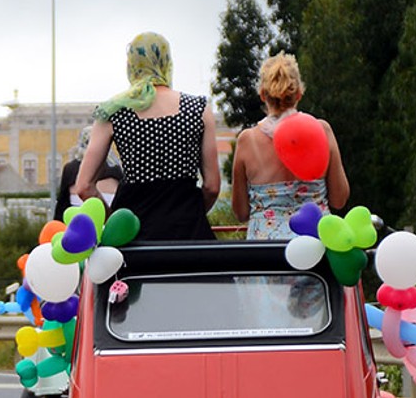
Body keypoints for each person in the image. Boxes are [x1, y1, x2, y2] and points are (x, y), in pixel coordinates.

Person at [73, 32, 218, 242]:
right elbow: (212, 187)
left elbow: (84, 186)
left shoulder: (113, 112)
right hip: (189, 232)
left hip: (134, 238)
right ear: (167, 62)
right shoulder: (199, 109)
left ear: (131, 65)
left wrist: (114, 220)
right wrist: (190, 214)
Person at [229, 52, 349, 239]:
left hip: (267, 251)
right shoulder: (322, 130)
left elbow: (241, 212)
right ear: (299, 94)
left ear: (262, 95)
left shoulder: (247, 140)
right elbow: (339, 199)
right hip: (315, 244)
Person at [51, 128, 124, 222]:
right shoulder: (115, 168)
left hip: (77, 222)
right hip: (110, 222)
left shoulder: (71, 169)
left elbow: (62, 204)